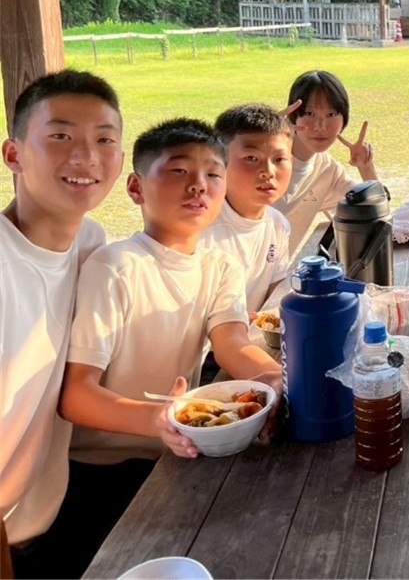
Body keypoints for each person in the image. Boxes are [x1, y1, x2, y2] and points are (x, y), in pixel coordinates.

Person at [56, 118, 282, 577]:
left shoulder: (220, 267)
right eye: (179, 171)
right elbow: (75, 395)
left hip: (176, 455)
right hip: (100, 469)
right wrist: (156, 419)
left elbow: (232, 343)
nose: (199, 185)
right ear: (136, 188)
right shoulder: (115, 267)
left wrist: (274, 379)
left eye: (213, 174)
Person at [0, 70, 124, 578]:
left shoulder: (90, 243)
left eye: (104, 140)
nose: (86, 157)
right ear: (13, 155)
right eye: (60, 136)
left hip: (47, 519)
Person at [201, 103, 294, 315]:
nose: (268, 171)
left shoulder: (278, 225)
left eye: (279, 159)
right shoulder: (200, 228)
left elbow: (274, 301)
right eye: (251, 158)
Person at [274, 70, 379, 252]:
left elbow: (375, 212)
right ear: (292, 116)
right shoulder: (261, 162)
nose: (320, 126)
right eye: (310, 113)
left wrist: (366, 167)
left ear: (344, 119)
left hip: (277, 270)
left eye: (331, 114)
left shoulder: (327, 170)